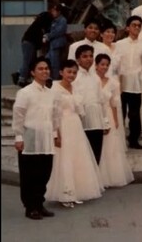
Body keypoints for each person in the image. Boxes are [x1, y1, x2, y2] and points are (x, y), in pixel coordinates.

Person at [45, 59, 104, 208]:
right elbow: (53, 114)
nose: (71, 75)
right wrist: (56, 134)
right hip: (62, 126)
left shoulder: (75, 88)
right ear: (61, 72)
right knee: (65, 158)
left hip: (75, 125)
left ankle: (77, 191)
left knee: (77, 157)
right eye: (69, 72)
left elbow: (80, 110)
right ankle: (66, 194)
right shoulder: (55, 89)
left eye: (74, 72)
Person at [11, 56, 60, 220]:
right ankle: (30, 207)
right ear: (32, 72)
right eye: (40, 68)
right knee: (29, 175)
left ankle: (39, 203)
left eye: (46, 68)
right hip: (29, 137)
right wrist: (18, 137)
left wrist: (54, 134)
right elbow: (18, 115)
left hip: (46, 138)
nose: (45, 71)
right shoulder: (24, 93)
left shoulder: (51, 93)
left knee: (44, 173)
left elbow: (55, 116)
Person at [94, 53, 135, 188]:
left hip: (109, 115)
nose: (104, 67)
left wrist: (116, 120)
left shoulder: (113, 82)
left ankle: (110, 176)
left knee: (110, 146)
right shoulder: (92, 80)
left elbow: (114, 103)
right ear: (96, 65)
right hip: (95, 114)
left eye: (107, 65)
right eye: (102, 64)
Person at [115, 15, 142, 149]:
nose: (136, 28)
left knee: (135, 113)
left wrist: (141, 78)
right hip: (122, 83)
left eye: (138, 26)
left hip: (136, 83)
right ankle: (119, 139)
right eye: (134, 25)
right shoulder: (119, 44)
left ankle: (134, 138)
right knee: (121, 112)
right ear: (127, 28)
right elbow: (116, 63)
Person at [72, 44, 110, 164]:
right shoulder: (75, 77)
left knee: (96, 154)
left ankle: (95, 181)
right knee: (83, 156)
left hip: (97, 121)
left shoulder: (96, 78)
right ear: (78, 59)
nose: (88, 59)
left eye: (91, 56)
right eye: (84, 56)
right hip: (82, 121)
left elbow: (101, 101)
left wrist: (105, 121)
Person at [17, 10, 52, 87]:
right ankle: (21, 78)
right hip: (29, 43)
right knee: (28, 61)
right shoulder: (41, 26)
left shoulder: (37, 24)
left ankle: (22, 77)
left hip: (27, 42)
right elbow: (39, 38)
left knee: (30, 61)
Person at [45, 3, 68, 80]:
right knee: (48, 60)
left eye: (54, 11)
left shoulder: (62, 20)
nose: (53, 13)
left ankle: (55, 79)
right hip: (53, 44)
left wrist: (48, 36)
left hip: (57, 44)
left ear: (59, 12)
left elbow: (59, 31)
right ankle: (50, 77)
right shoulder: (54, 21)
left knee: (55, 63)